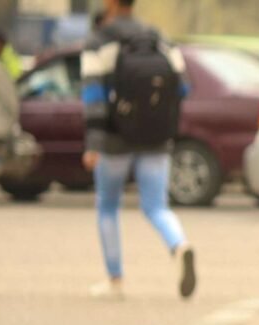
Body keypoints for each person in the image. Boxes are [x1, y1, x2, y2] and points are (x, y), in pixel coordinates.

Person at [80, 0, 195, 300]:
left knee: (107, 206)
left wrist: (93, 144)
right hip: (157, 138)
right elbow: (183, 87)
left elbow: (94, 97)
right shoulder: (158, 38)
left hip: (113, 141)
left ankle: (115, 280)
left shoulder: (99, 41)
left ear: (110, 4)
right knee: (157, 206)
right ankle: (179, 245)